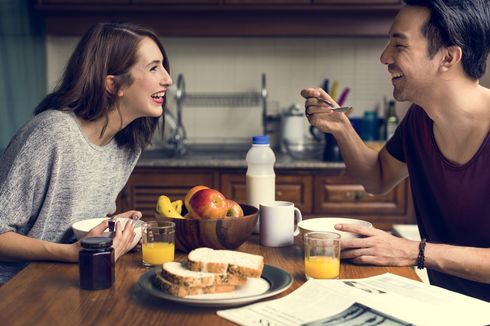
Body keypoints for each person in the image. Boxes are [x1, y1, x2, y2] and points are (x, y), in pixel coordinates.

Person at [302, 0, 490, 301]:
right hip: (451, 308)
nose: (384, 57)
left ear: (448, 57)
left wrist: (415, 251)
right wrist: (341, 127)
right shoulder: (419, 119)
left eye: (399, 45)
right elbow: (377, 178)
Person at [0, 22, 172, 285]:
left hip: (69, 281)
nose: (167, 79)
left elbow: (72, 223)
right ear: (113, 85)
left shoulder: (127, 144)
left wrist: (109, 226)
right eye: (153, 68)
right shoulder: (52, 133)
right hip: (17, 290)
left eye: (162, 66)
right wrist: (70, 253)